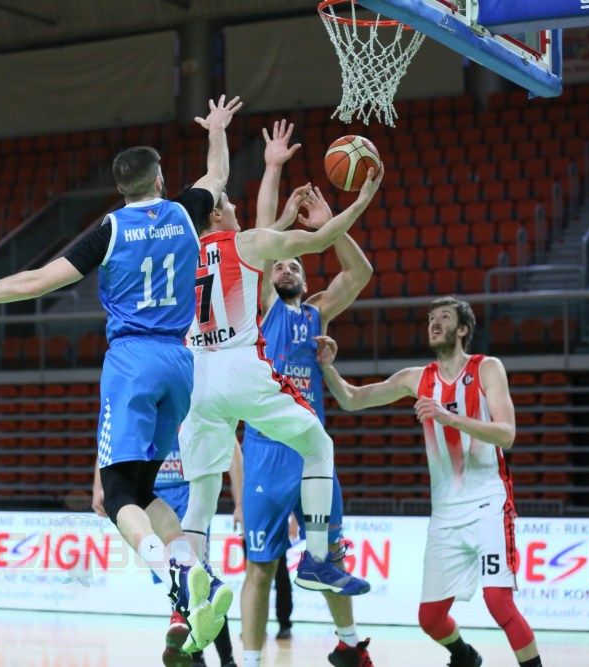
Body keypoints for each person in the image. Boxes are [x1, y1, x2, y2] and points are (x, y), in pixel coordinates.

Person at [0, 95, 243, 664]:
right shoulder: (183, 212)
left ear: (120, 189)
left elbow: (35, 283)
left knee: (117, 495)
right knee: (144, 490)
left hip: (132, 360)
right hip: (180, 360)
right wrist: (216, 129)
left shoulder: (109, 230)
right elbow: (217, 175)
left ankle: (174, 573)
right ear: (159, 179)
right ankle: (195, 573)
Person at [176, 118, 383, 613]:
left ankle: (190, 583)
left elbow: (260, 218)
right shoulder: (245, 244)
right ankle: (318, 558)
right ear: (217, 215)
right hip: (239, 369)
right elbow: (318, 238)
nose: (236, 208)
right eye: (229, 204)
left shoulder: (179, 253)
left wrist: (264, 166)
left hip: (194, 378)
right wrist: (363, 198)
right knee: (319, 444)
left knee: (201, 494)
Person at [315, 297, 543, 667]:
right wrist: (327, 367)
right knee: (430, 618)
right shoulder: (417, 378)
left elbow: (507, 434)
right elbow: (352, 399)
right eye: (431, 318)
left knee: (498, 601)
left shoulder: (486, 368)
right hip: (445, 515)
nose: (435, 323)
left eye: (445, 318)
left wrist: (448, 417)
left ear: (463, 329)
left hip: (488, 504)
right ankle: (465, 657)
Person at [231, 119, 376, 667]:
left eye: (297, 263)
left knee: (331, 557)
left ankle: (350, 645)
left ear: (306, 279)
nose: (287, 267)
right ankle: (250, 660)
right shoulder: (262, 309)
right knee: (261, 566)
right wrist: (272, 168)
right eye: (281, 265)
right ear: (270, 278)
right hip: (268, 449)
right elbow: (265, 237)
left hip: (312, 450)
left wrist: (329, 228)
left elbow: (359, 274)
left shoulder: (315, 314)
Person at [93, 440, 238, 667]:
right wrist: (98, 486)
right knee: (182, 579)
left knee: (191, 578)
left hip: (185, 490)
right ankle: (200, 657)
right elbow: (109, 439)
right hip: (152, 493)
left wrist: (240, 503)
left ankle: (223, 659)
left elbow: (232, 446)